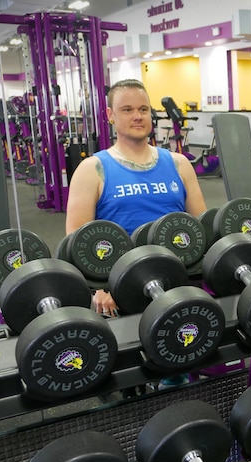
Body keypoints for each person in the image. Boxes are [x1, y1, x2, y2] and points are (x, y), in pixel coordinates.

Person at [65, 79, 208, 316]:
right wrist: (98, 288)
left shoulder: (179, 163)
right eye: (127, 110)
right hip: (121, 286)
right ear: (111, 115)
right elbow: (75, 243)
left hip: (179, 277)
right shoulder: (92, 169)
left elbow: (201, 228)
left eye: (143, 109)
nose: (138, 116)